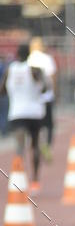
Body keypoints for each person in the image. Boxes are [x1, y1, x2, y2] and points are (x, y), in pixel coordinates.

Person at [0, 43, 46, 193]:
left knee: (19, 147)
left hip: (17, 113)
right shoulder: (34, 70)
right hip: (34, 113)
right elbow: (44, 88)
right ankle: (35, 181)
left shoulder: (9, 70)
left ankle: (18, 180)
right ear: (29, 55)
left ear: (17, 54)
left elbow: (2, 91)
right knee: (35, 146)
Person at [28, 38, 57, 161]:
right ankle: (47, 146)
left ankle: (36, 145)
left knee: (36, 125)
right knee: (49, 124)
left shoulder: (28, 60)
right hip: (46, 97)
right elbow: (52, 77)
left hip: (33, 99)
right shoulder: (46, 59)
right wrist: (55, 92)